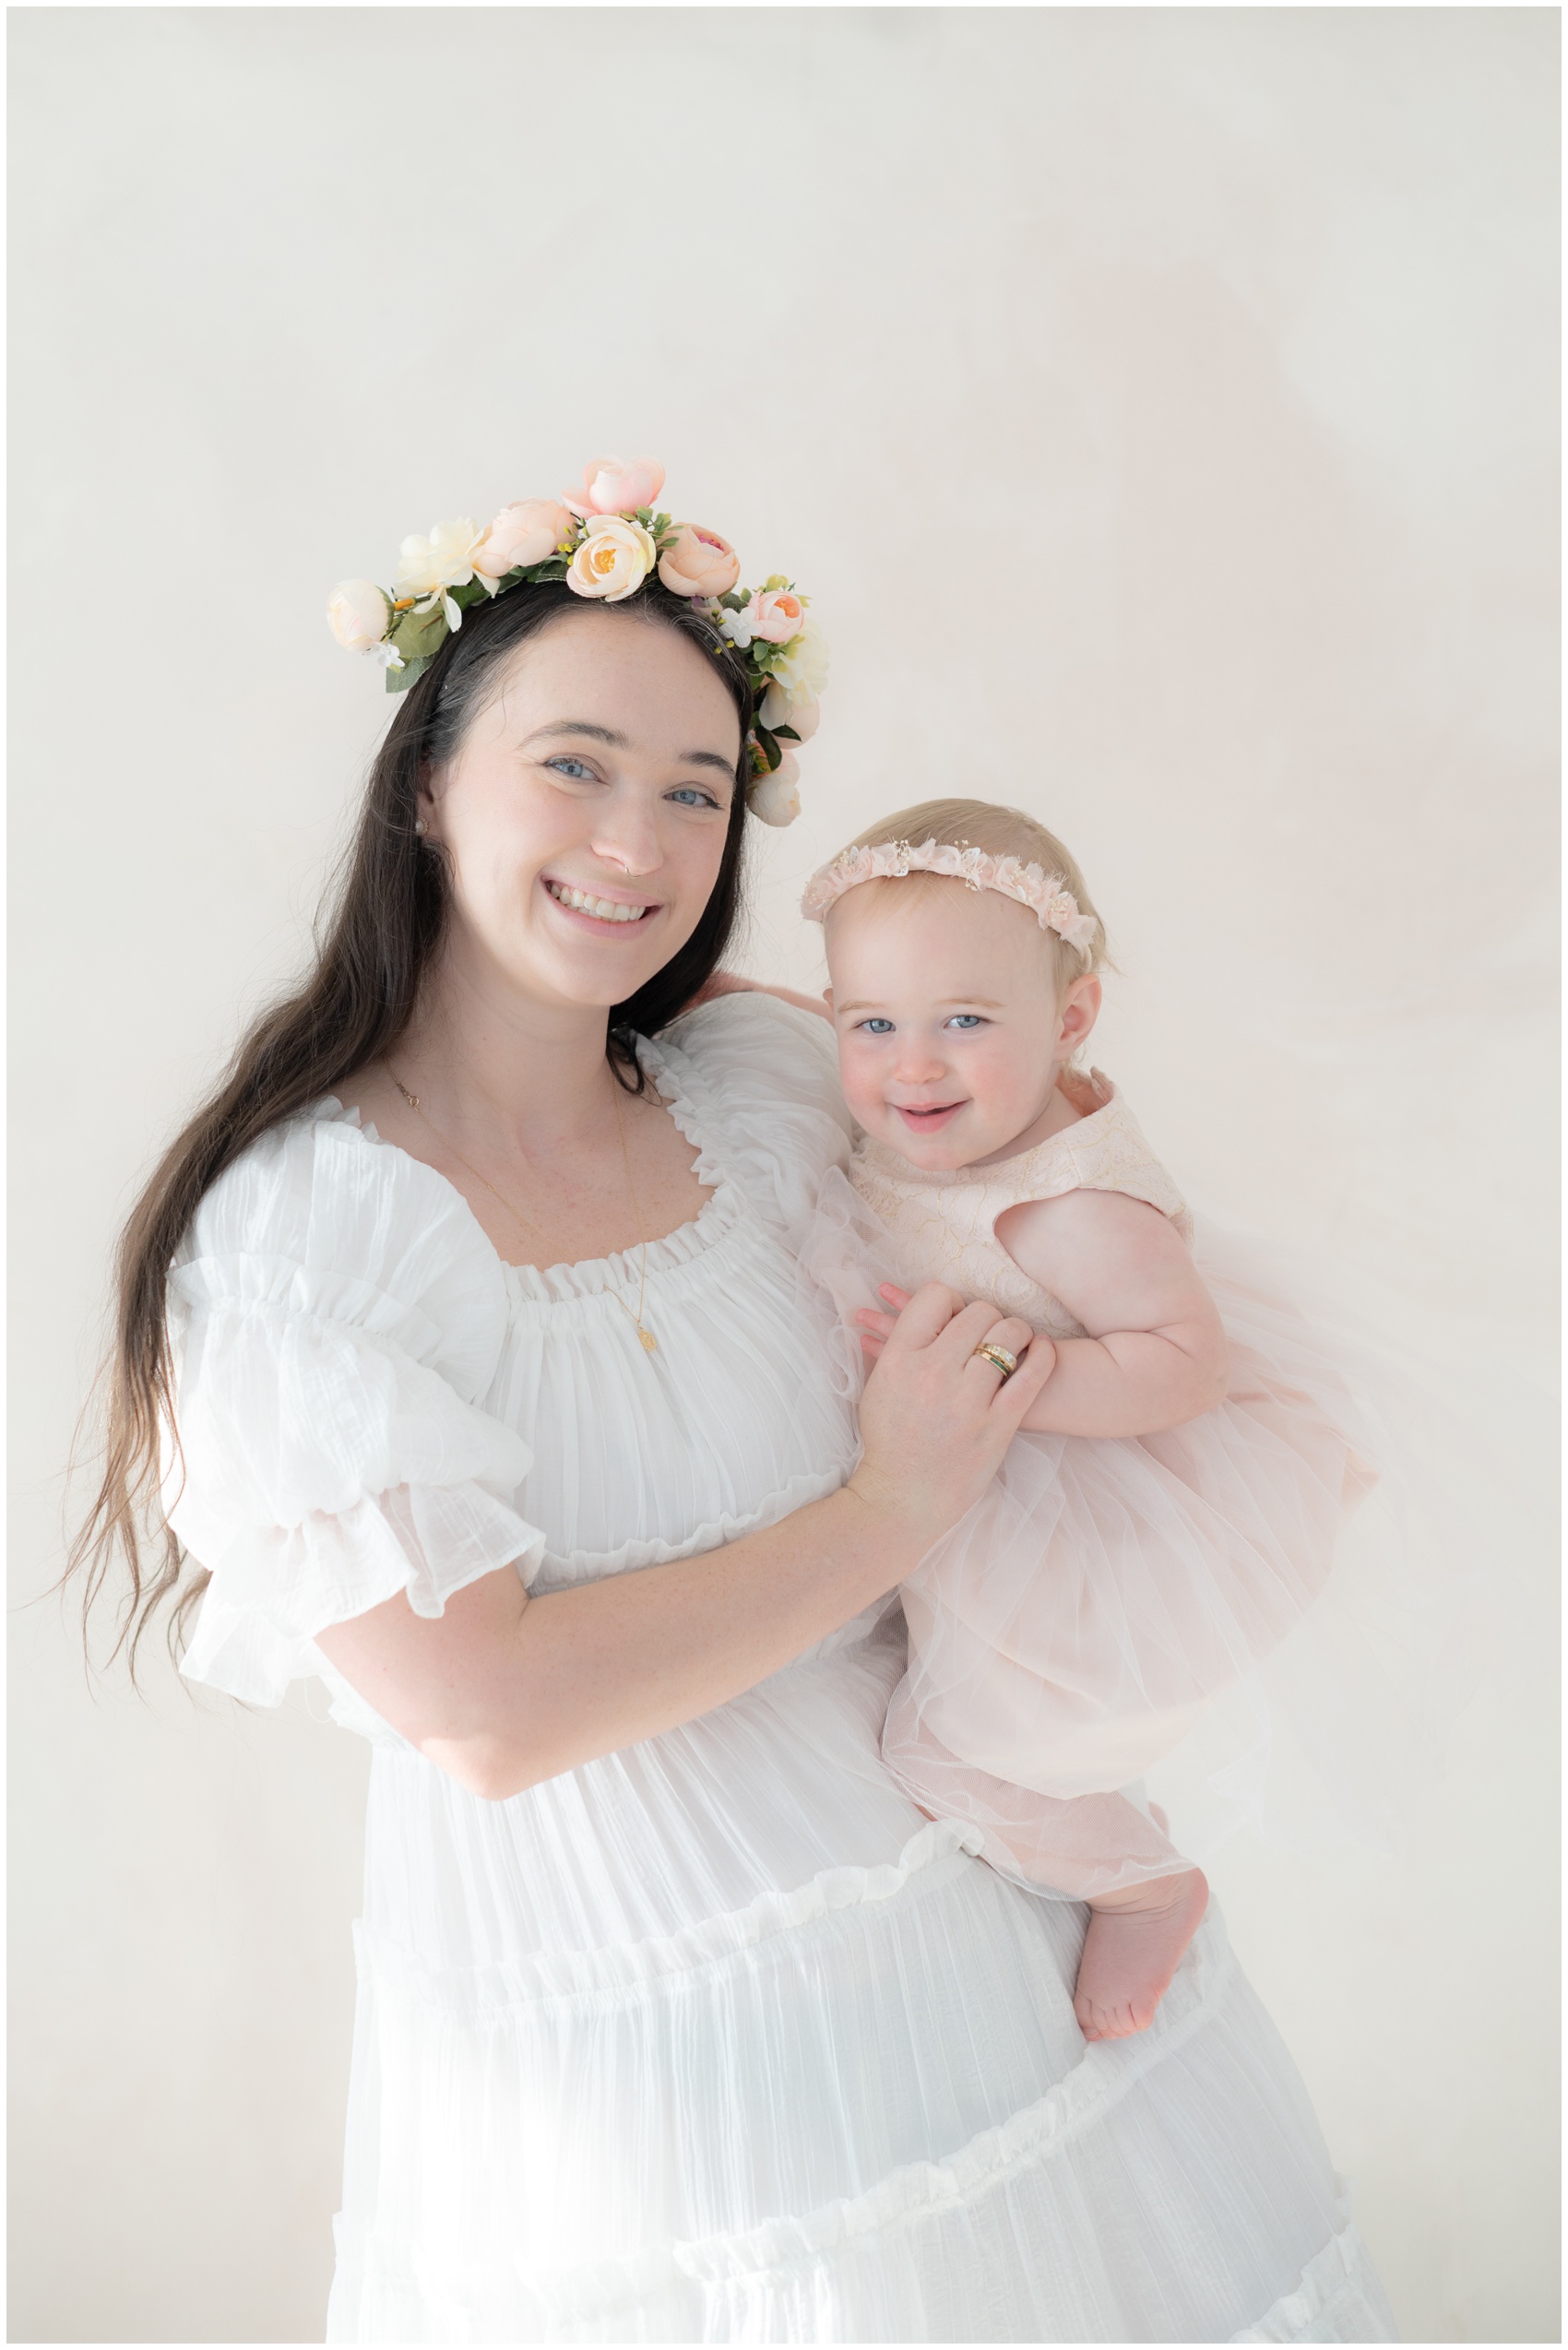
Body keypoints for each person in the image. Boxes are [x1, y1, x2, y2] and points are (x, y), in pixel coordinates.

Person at [72, 459, 1397, 2342]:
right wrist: (888, 1504)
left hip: (971, 1906)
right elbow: (486, 1710)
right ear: (431, 779)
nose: (641, 840)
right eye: (579, 765)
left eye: (698, 792)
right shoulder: (315, 1235)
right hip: (647, 2011)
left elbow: (1027, 1166)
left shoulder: (766, 1079)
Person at [800, 800, 1382, 2048]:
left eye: (965, 1022)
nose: (913, 1065)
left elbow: (1184, 1365)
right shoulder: (943, 1099)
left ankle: (1140, 1880)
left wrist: (1014, 1372)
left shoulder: (1071, 1209)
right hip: (978, 1461)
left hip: (1090, 1499)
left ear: (1070, 1023)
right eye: (873, 1023)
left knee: (951, 1751)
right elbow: (829, 1023)